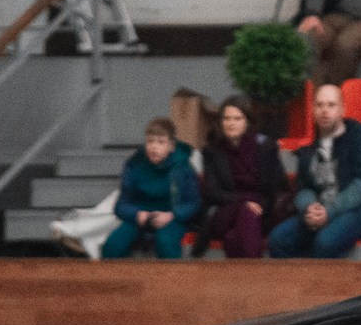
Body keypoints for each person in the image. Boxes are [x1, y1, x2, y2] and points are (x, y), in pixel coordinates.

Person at [268, 82, 361, 258]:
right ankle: (293, 284)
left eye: (331, 105)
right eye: (319, 105)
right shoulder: (309, 150)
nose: (324, 110)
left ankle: (320, 285)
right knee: (278, 239)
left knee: (326, 241)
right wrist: (309, 208)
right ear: (313, 111)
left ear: (342, 110)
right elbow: (302, 187)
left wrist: (329, 211)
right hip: (322, 212)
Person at [197, 95, 288, 258]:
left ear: (247, 121)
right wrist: (245, 202)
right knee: (246, 212)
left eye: (237, 118)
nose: (231, 123)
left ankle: (240, 281)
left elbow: (277, 187)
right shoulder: (212, 151)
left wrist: (256, 205)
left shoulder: (265, 148)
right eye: (226, 118)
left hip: (260, 212)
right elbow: (212, 192)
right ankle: (255, 278)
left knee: (232, 238)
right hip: (222, 212)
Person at [104, 117, 200, 259]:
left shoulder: (182, 167)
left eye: (161, 142)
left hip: (170, 217)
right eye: (150, 141)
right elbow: (121, 205)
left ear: (171, 146)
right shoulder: (134, 164)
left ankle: (170, 280)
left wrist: (172, 215)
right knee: (113, 244)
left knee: (166, 243)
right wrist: (137, 214)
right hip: (139, 216)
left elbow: (193, 203)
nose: (154, 147)